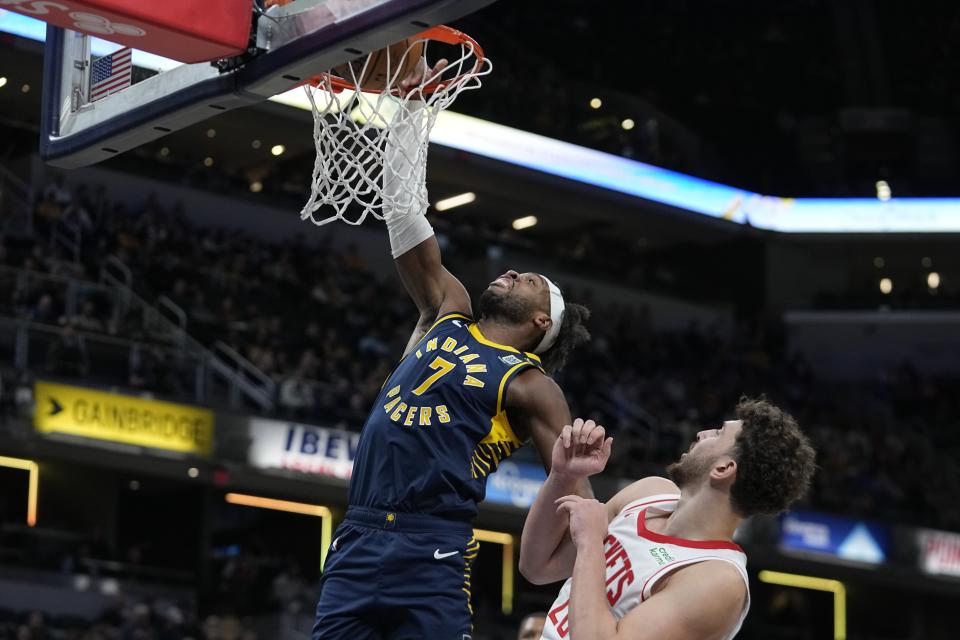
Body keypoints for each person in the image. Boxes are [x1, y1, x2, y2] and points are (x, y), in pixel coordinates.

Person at [312, 58, 592, 640]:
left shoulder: (531, 385)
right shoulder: (449, 311)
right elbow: (401, 214)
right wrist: (411, 115)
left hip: (431, 546)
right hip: (357, 534)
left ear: (543, 321)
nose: (513, 272)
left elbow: (576, 500)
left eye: (529, 280)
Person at [521, 398, 816, 640]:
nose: (702, 434)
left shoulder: (717, 580)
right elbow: (537, 566)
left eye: (717, 434)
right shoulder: (649, 492)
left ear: (724, 468)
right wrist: (564, 476)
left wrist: (589, 544)